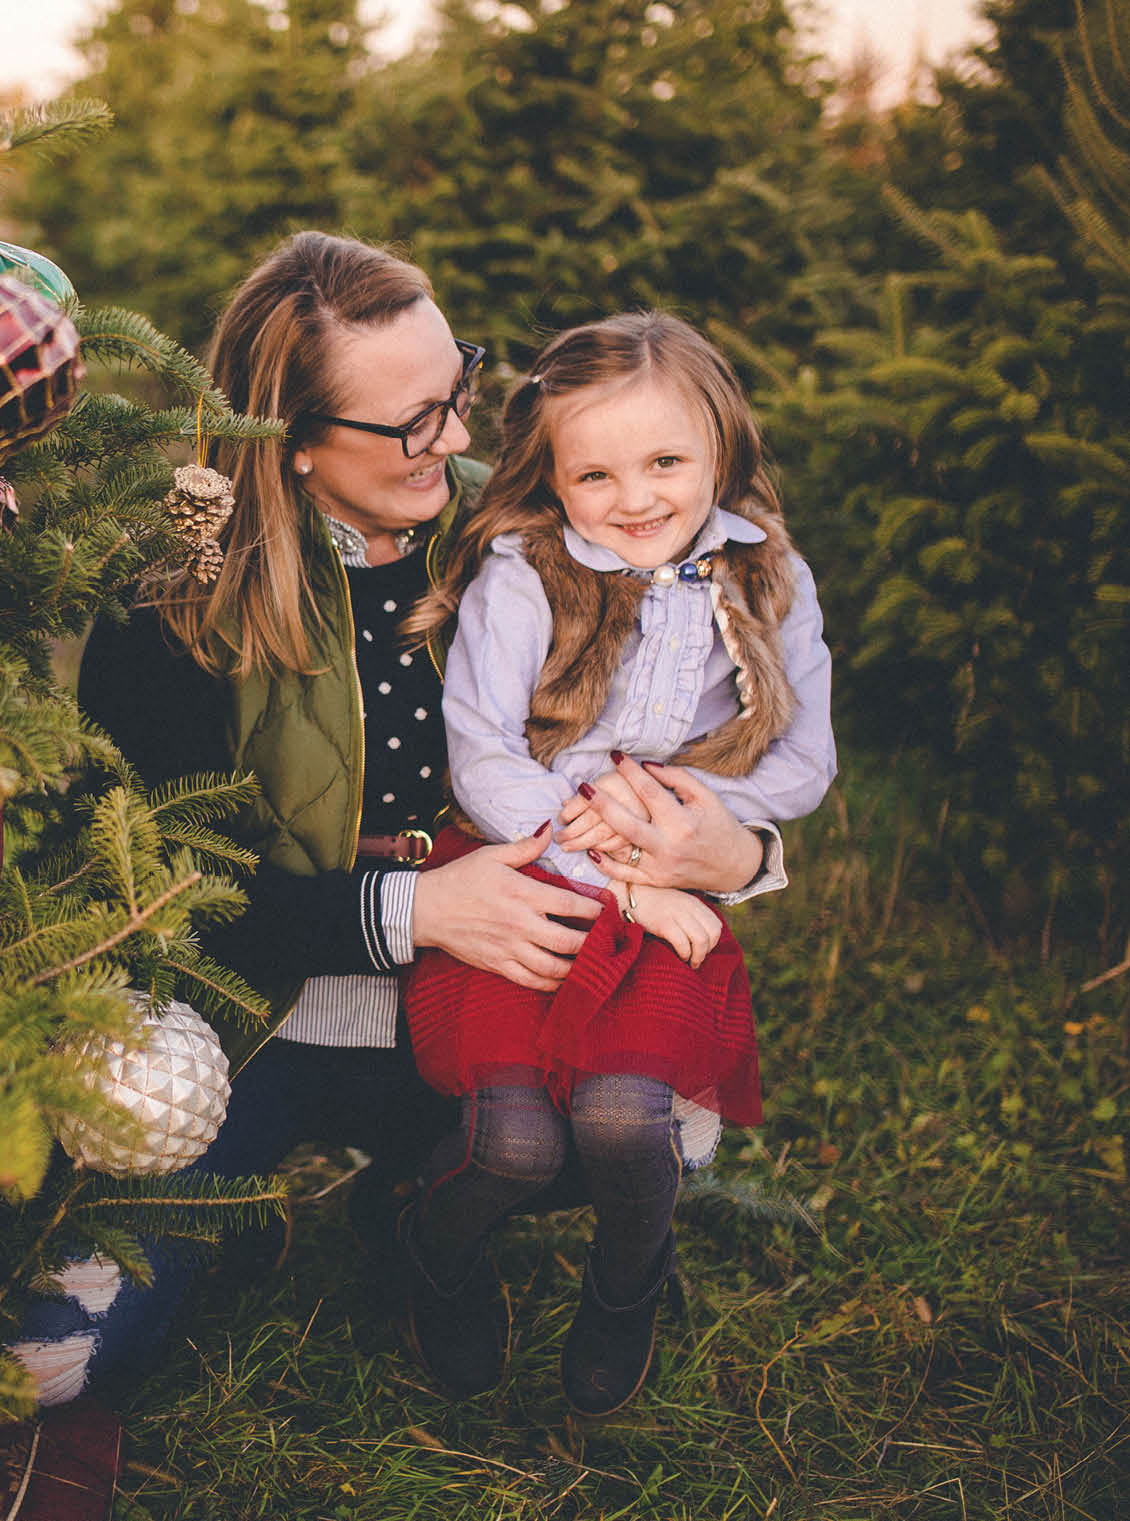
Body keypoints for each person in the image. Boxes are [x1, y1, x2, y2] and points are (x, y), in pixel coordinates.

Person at [5, 237, 797, 1424]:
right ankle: (239, 1187)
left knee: (656, 1133)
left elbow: (693, 728)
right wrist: (409, 909)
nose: (455, 437)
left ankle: (419, 1211)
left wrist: (741, 857)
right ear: (295, 439)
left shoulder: (534, 539)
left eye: (458, 390)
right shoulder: (174, 590)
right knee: (56, 1368)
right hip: (251, 1020)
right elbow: (151, 879)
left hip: (484, 996)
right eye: (412, 423)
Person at [394, 310, 835, 1417]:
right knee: (516, 1144)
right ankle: (429, 1255)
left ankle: (628, 1283)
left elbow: (804, 761)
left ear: (722, 449)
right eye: (595, 473)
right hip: (520, 867)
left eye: (667, 462)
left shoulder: (771, 578)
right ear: (551, 476)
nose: (636, 497)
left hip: (668, 877)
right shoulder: (526, 572)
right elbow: (482, 748)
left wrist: (686, 823)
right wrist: (616, 865)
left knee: (625, 1121)